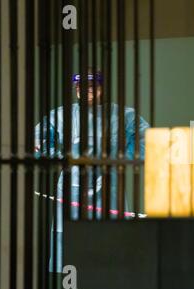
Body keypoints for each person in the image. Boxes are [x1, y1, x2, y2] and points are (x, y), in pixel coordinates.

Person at [34, 69, 150, 272]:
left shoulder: (122, 115)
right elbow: (38, 140)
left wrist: (122, 158)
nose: (85, 90)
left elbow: (148, 140)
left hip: (108, 186)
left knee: (111, 244)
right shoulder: (61, 115)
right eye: (80, 86)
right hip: (71, 188)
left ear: (101, 87)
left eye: (91, 85)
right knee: (69, 245)